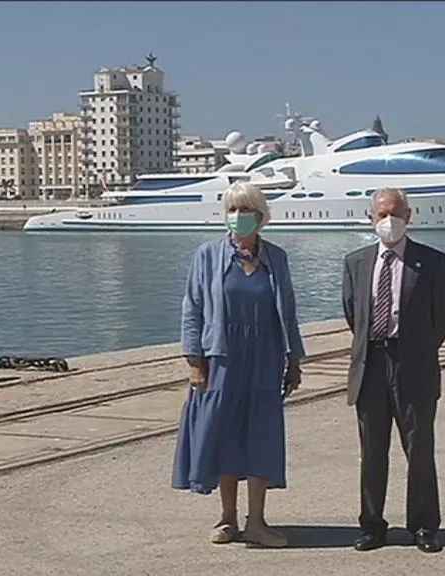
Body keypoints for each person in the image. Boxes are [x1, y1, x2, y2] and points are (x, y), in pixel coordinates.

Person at [172, 181, 306, 548]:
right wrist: (195, 361)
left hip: (265, 357)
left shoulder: (276, 258)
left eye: (245, 210)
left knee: (261, 436)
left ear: (261, 216)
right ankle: (227, 517)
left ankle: (257, 521)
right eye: (232, 209)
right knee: (225, 434)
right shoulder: (208, 255)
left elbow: (288, 312)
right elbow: (192, 309)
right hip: (222, 358)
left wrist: (294, 358)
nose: (238, 216)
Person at [341, 187, 445, 554]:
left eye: (395, 213)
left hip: (414, 364)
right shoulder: (356, 262)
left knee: (419, 450)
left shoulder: (431, 261)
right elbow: (352, 313)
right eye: (382, 214)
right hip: (371, 364)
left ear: (409, 216)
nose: (388, 221)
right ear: (370, 218)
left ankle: (423, 526)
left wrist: (417, 349)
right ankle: (372, 526)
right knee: (372, 452)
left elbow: (442, 317)